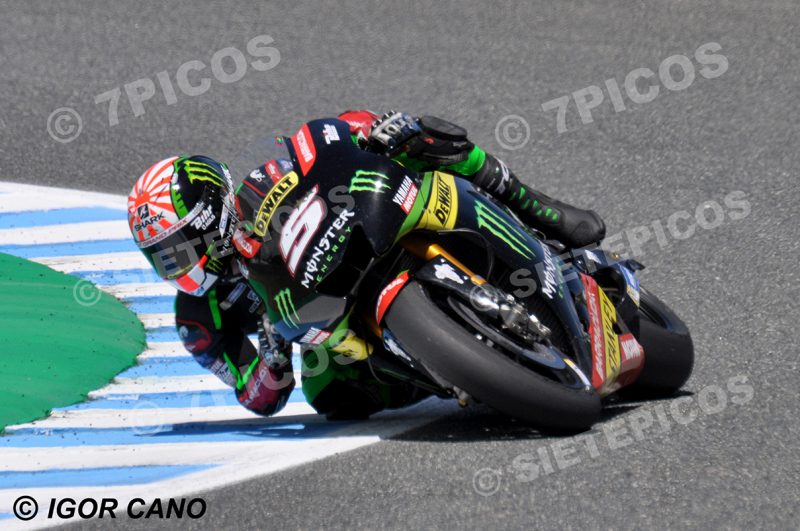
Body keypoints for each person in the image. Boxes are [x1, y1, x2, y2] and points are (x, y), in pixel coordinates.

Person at [126, 110, 606, 420]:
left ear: (210, 215)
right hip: (325, 327)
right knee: (327, 395)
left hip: (352, 237)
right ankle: (447, 369)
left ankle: (541, 210)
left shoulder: (258, 185)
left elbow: (320, 145)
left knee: (428, 143)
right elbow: (258, 397)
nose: (177, 265)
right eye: (162, 257)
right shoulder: (196, 322)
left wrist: (372, 129)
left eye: (179, 247)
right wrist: (271, 356)